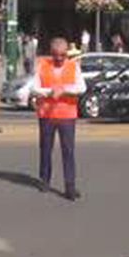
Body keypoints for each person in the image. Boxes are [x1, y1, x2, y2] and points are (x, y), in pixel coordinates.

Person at [30, 37, 86, 201]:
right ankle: (44, 180)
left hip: (67, 115)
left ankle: (70, 186)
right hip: (46, 114)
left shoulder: (73, 66)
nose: (60, 58)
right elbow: (34, 88)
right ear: (51, 53)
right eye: (56, 55)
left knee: (68, 151)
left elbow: (81, 87)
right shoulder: (43, 66)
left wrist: (64, 90)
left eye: (63, 54)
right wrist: (49, 92)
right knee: (45, 148)